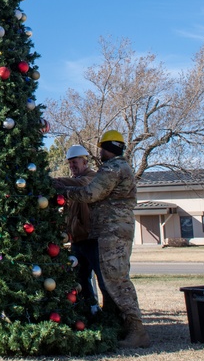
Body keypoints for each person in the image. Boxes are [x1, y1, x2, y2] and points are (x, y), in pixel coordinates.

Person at [55, 130, 149, 348]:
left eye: (102, 148)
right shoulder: (120, 167)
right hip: (111, 230)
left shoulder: (113, 168)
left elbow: (90, 194)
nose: (101, 152)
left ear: (108, 148)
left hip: (112, 231)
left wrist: (62, 190)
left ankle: (136, 330)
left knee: (116, 280)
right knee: (110, 278)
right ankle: (120, 323)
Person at [52, 144, 108, 315]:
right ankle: (90, 309)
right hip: (77, 240)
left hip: (92, 239)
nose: (72, 166)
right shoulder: (72, 187)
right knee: (80, 278)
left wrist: (53, 182)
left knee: (102, 278)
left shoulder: (91, 178)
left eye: (74, 162)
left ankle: (110, 313)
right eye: (69, 163)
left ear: (84, 162)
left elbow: (80, 184)